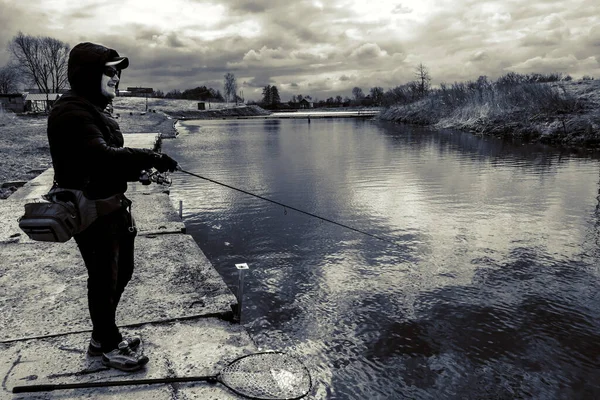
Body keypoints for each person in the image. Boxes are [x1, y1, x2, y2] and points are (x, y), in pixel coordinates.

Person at [47, 42, 178, 372]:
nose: (116, 76)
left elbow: (104, 164)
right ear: (88, 74)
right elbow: (101, 157)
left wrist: (138, 171)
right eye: (109, 70)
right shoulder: (71, 112)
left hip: (110, 208)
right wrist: (152, 157)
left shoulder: (91, 108)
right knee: (104, 279)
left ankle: (103, 336)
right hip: (90, 213)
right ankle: (105, 346)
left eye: (118, 71)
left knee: (122, 272)